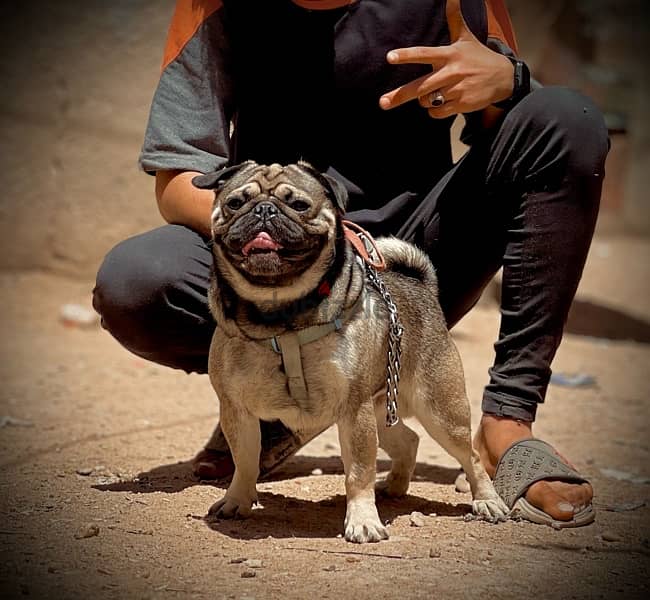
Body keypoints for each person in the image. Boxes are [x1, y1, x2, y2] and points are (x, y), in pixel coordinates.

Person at [93, 0, 608, 526]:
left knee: (569, 119)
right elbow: (178, 181)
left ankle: (506, 423)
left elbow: (528, 131)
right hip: (275, 255)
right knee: (138, 281)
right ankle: (278, 399)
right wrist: (295, 227)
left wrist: (510, 81)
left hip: (410, 263)